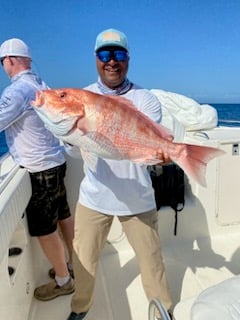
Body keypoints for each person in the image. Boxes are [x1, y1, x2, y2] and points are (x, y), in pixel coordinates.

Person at [66, 28, 173, 320]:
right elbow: (77, 152)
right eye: (104, 54)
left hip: (138, 199)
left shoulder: (145, 99)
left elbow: (147, 146)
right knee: (84, 261)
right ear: (95, 58)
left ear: (128, 59)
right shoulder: (82, 98)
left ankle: (164, 311)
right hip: (94, 197)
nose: (111, 61)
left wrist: (161, 156)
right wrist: (69, 135)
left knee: (152, 264)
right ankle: (80, 309)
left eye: (119, 54)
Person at [0, 38, 75, 301]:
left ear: (9, 60)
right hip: (56, 163)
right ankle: (73, 264)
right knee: (63, 214)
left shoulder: (16, 91)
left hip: (40, 170)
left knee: (45, 228)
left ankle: (64, 280)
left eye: (2, 62)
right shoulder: (42, 84)